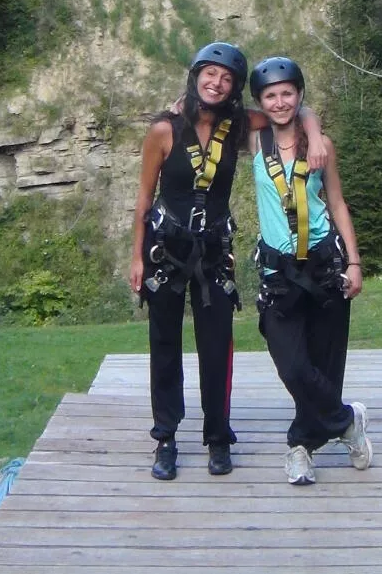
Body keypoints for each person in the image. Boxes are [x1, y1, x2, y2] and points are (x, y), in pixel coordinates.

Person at [130, 42, 326, 482]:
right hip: (165, 250)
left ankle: (218, 435)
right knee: (164, 345)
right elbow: (144, 197)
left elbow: (292, 112)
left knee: (217, 345)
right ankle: (166, 437)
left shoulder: (236, 127)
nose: (216, 84)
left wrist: (313, 135)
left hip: (214, 253)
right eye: (210, 75)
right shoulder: (164, 130)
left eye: (226, 79)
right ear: (196, 76)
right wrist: (136, 257)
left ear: (235, 89)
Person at [249, 55, 373, 486]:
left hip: (323, 264)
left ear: (299, 94)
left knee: (325, 364)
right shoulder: (255, 140)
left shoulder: (322, 147)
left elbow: (336, 202)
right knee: (293, 366)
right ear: (260, 102)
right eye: (270, 96)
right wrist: (181, 105)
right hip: (279, 273)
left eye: (288, 93)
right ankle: (347, 421)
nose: (280, 102)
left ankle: (301, 447)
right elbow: (215, 113)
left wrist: (354, 262)